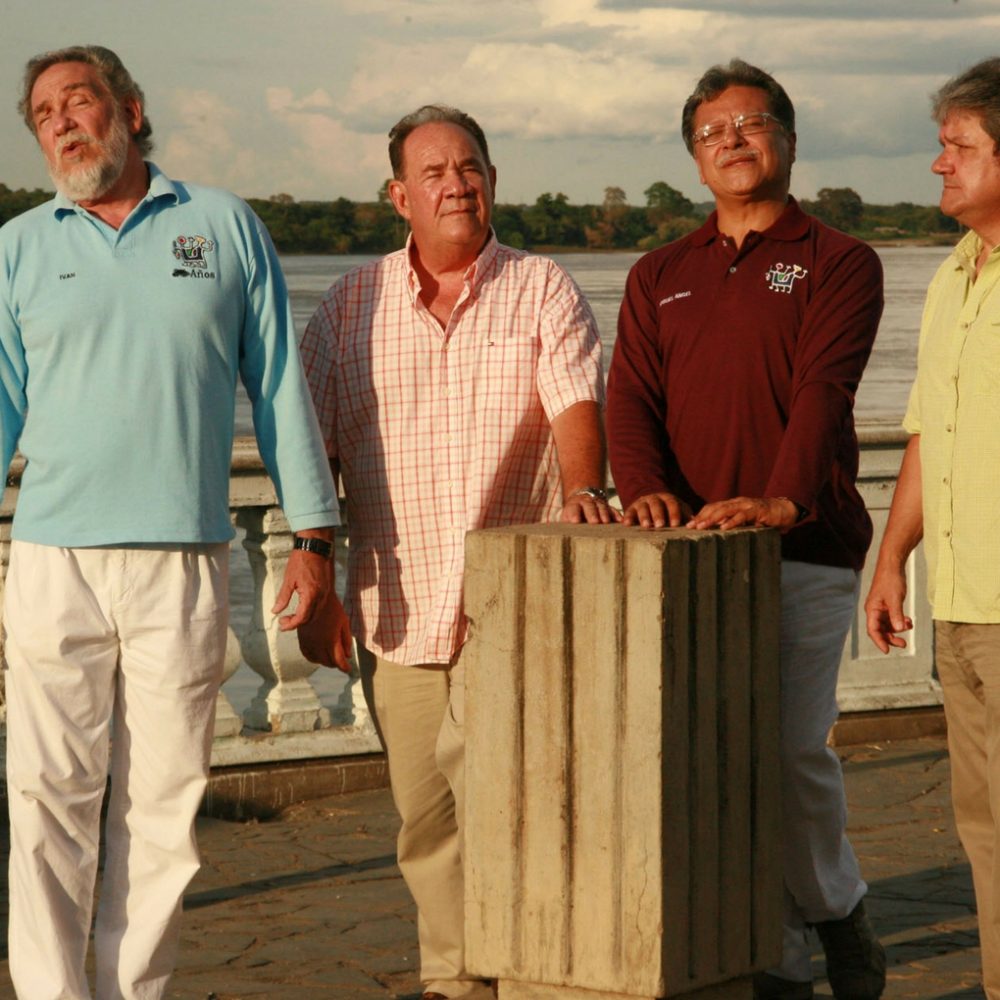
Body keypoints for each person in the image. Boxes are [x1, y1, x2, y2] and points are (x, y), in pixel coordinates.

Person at [0, 45, 349, 1000]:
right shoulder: (19, 247)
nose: (64, 122)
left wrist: (312, 540)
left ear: (130, 108)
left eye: (80, 100)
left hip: (183, 561)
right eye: (43, 114)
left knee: (158, 814)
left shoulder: (222, 225)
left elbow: (279, 389)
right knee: (46, 804)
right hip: (52, 561)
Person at [299, 104, 612, 1000]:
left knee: (508, 809)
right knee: (424, 821)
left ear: (493, 181)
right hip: (395, 605)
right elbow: (309, 444)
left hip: (509, 605)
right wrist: (311, 555)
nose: (455, 185)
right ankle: (454, 981)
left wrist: (587, 490)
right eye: (433, 173)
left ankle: (527, 975)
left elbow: (574, 404)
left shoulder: (542, 286)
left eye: (469, 167)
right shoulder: (348, 308)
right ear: (399, 195)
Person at [605, 59, 885, 1000]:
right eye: (713, 130)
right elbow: (630, 399)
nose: (733, 139)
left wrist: (784, 498)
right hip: (687, 562)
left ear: (788, 141)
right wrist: (643, 488)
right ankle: (777, 959)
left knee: (790, 751)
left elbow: (823, 390)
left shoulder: (842, 260)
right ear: (694, 155)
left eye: (752, 123)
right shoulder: (659, 273)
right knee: (713, 762)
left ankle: (837, 910)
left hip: (802, 548)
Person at [864, 56, 1000, 999]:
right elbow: (926, 428)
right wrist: (891, 556)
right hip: (960, 603)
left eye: (958, 146)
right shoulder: (956, 274)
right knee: (983, 826)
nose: (938, 165)